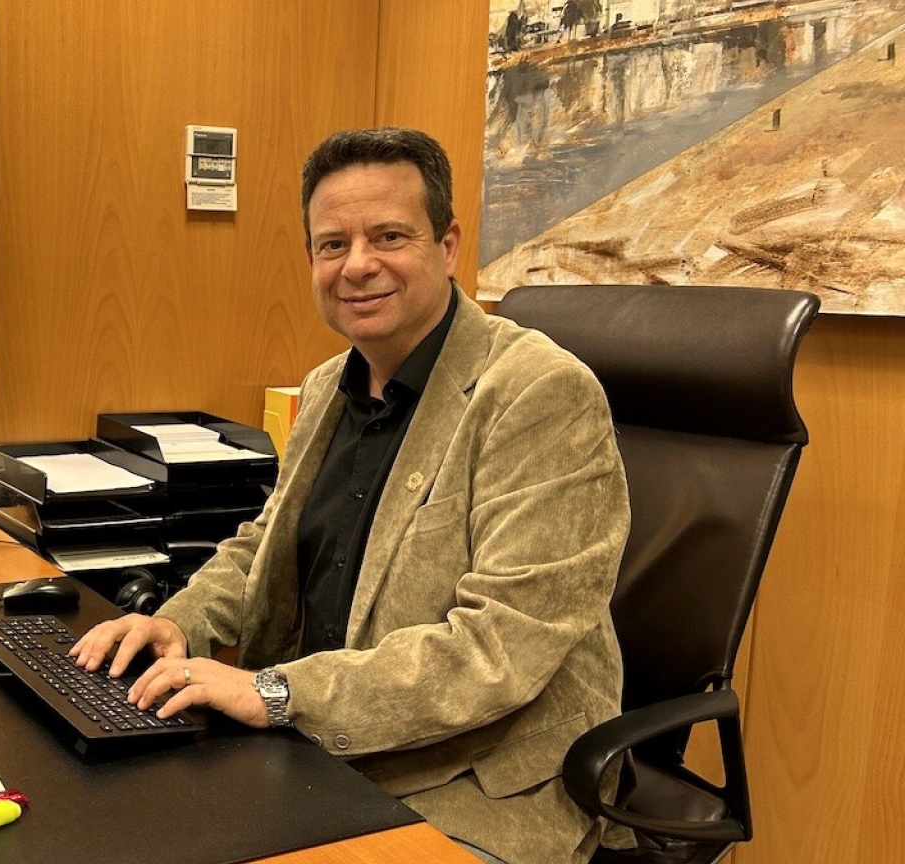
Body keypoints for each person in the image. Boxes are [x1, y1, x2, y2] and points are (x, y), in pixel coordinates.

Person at [70, 128, 630, 864]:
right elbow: (264, 544)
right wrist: (179, 625)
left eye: (389, 236)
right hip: (321, 749)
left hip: (475, 781)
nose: (358, 265)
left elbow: (500, 648)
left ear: (448, 246)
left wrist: (276, 693)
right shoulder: (326, 386)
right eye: (333, 244)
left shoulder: (538, 393)